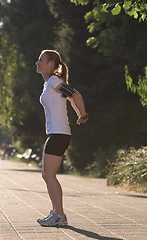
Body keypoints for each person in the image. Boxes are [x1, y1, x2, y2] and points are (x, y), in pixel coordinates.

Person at [35, 49, 88, 227]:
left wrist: (84, 114)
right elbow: (70, 99)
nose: (37, 63)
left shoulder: (54, 81)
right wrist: (79, 115)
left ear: (50, 64)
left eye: (40, 60)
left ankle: (59, 215)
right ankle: (57, 212)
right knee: (47, 175)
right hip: (58, 133)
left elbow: (75, 94)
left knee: (48, 175)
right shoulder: (51, 83)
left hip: (59, 134)